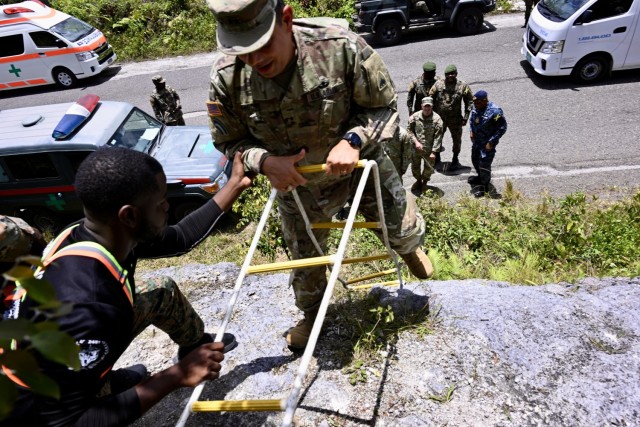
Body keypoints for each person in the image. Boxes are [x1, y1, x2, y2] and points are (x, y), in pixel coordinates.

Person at [207, 0, 433, 352]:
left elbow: (383, 106)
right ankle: (313, 315)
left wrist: (354, 140)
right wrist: (265, 162)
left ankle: (406, 247)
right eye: (243, 51)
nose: (254, 60)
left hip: (358, 164)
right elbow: (229, 141)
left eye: (261, 45)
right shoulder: (227, 78)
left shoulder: (339, 46)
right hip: (296, 184)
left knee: (399, 227)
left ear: (286, 19)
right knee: (305, 259)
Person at [2, 147, 252, 426]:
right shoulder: (92, 306)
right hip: (29, 409)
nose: (167, 206)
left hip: (54, 350)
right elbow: (71, 422)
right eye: (161, 202)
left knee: (159, 290)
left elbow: (181, 237)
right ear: (129, 216)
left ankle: (102, 378)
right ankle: (98, 387)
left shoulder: (92, 233)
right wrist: (175, 376)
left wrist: (235, 184)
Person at [428, 64, 473, 170]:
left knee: (457, 140)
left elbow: (469, 101)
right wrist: (430, 115)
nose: (450, 76)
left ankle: (455, 159)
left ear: (456, 74)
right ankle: (437, 159)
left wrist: (466, 116)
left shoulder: (463, 86)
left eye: (452, 74)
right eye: (448, 74)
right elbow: (430, 97)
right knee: (437, 138)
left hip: (456, 119)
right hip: (440, 118)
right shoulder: (438, 85)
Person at [468, 90, 507, 198]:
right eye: (475, 103)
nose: (476, 105)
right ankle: (480, 177)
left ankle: (484, 187)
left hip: (487, 145)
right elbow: (472, 120)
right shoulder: (476, 107)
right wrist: (471, 131)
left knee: (484, 166)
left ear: (485, 101)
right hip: (477, 142)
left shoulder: (495, 112)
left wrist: (491, 142)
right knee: (475, 160)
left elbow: (502, 128)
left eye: (478, 103)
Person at [407, 97, 443, 194]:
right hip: (416, 148)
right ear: (421, 106)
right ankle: (418, 181)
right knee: (415, 167)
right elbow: (409, 131)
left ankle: (424, 183)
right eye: (425, 106)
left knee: (428, 169)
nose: (427, 109)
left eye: (429, 107)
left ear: (432, 107)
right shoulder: (414, 117)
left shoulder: (437, 120)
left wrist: (434, 152)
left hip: (430, 150)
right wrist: (416, 142)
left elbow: (438, 137)